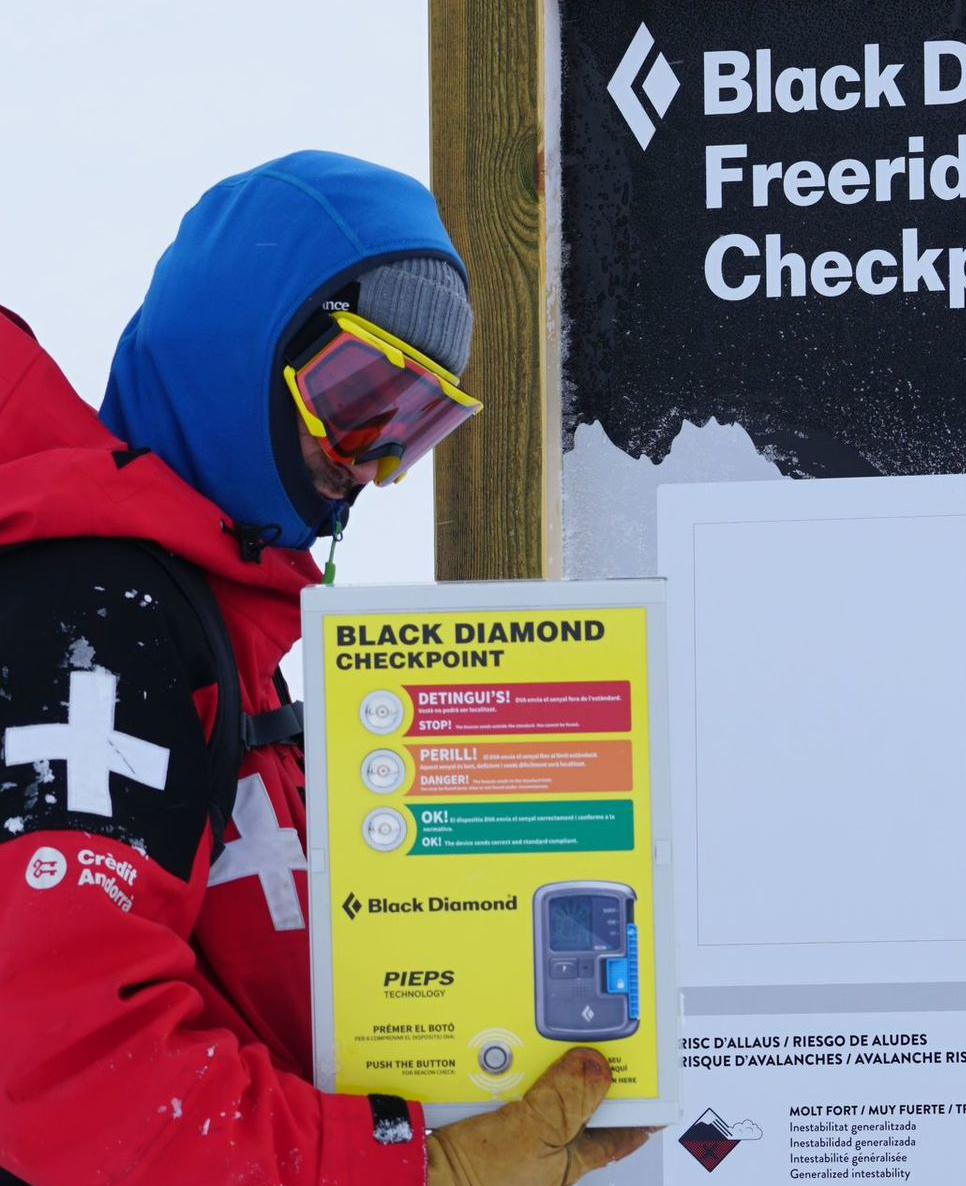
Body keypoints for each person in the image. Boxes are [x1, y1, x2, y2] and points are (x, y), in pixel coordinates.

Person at [0, 151, 651, 1186]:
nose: (370, 463)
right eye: (358, 396)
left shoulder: (220, 642)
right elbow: (62, 1065)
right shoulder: (94, 621)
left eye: (413, 425)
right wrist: (413, 1169)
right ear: (235, 346)